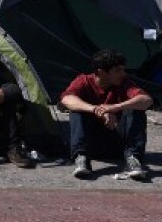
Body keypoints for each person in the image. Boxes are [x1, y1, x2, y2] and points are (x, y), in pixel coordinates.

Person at [60, 49, 152, 180]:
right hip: (91, 144)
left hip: (118, 143)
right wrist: (97, 110)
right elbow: (66, 99)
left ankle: (133, 158)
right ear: (100, 72)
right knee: (77, 109)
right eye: (117, 70)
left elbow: (146, 100)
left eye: (123, 69)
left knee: (135, 108)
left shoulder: (124, 83)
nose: (123, 74)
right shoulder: (83, 81)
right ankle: (81, 158)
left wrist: (114, 107)